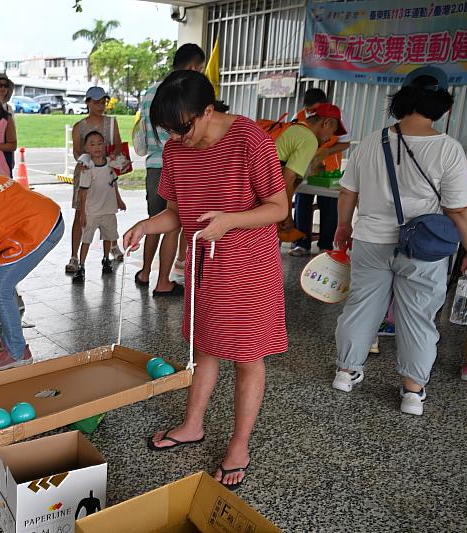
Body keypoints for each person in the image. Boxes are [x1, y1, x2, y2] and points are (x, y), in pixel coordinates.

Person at [123, 70, 288, 490]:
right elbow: (177, 213)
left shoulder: (250, 140)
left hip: (249, 267)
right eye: (169, 132)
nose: (178, 138)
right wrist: (146, 225)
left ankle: (239, 444)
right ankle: (192, 424)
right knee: (205, 346)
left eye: (184, 127)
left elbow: (277, 208)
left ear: (208, 111)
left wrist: (230, 221)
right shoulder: (178, 151)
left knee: (248, 356)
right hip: (204, 265)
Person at [332, 66, 467, 416]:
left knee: (361, 306)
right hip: (424, 248)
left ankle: (345, 372)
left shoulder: (371, 140)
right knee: (419, 317)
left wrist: (342, 227)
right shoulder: (448, 149)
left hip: (370, 240)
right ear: (445, 106)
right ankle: (412, 391)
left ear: (403, 99)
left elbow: (348, 191)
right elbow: (460, 211)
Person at [0, 171, 63, 370]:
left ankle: (17, 352)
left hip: (40, 227)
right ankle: (9, 338)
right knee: (1, 281)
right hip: (42, 216)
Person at [135, 43, 205, 296]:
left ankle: (144, 272)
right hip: (178, 167)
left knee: (153, 222)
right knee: (172, 225)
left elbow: (142, 133)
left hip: (154, 165)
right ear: (194, 67)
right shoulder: (185, 95)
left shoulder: (149, 93)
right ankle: (163, 281)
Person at [67, 86, 123, 273]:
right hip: (86, 172)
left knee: (108, 211)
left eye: (103, 102)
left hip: (105, 171)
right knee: (80, 212)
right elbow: (76, 151)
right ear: (88, 103)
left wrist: (110, 158)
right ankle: (75, 255)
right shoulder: (80, 126)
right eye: (96, 102)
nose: (100, 105)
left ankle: (112, 245)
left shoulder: (111, 123)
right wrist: (87, 160)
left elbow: (117, 146)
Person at [290, 89, 352, 256]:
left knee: (330, 207)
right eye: (309, 110)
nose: (312, 113)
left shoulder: (337, 116)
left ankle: (326, 245)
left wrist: (325, 152)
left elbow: (346, 143)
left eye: (315, 109)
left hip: (329, 171)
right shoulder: (299, 117)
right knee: (303, 203)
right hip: (303, 170)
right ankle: (301, 243)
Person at [275, 103, 344, 239]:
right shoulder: (309, 139)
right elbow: (286, 179)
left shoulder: (294, 127)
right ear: (327, 123)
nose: (329, 139)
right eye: (331, 132)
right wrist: (286, 215)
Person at [73, 131, 126, 282]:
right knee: (86, 239)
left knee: (108, 236)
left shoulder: (110, 165)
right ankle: (81, 266)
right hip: (92, 211)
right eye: (92, 144)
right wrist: (82, 212)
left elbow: (114, 183)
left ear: (104, 146)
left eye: (100, 143)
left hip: (109, 209)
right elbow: (83, 192)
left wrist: (119, 200)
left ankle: (106, 259)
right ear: (86, 148)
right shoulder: (87, 169)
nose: (97, 147)